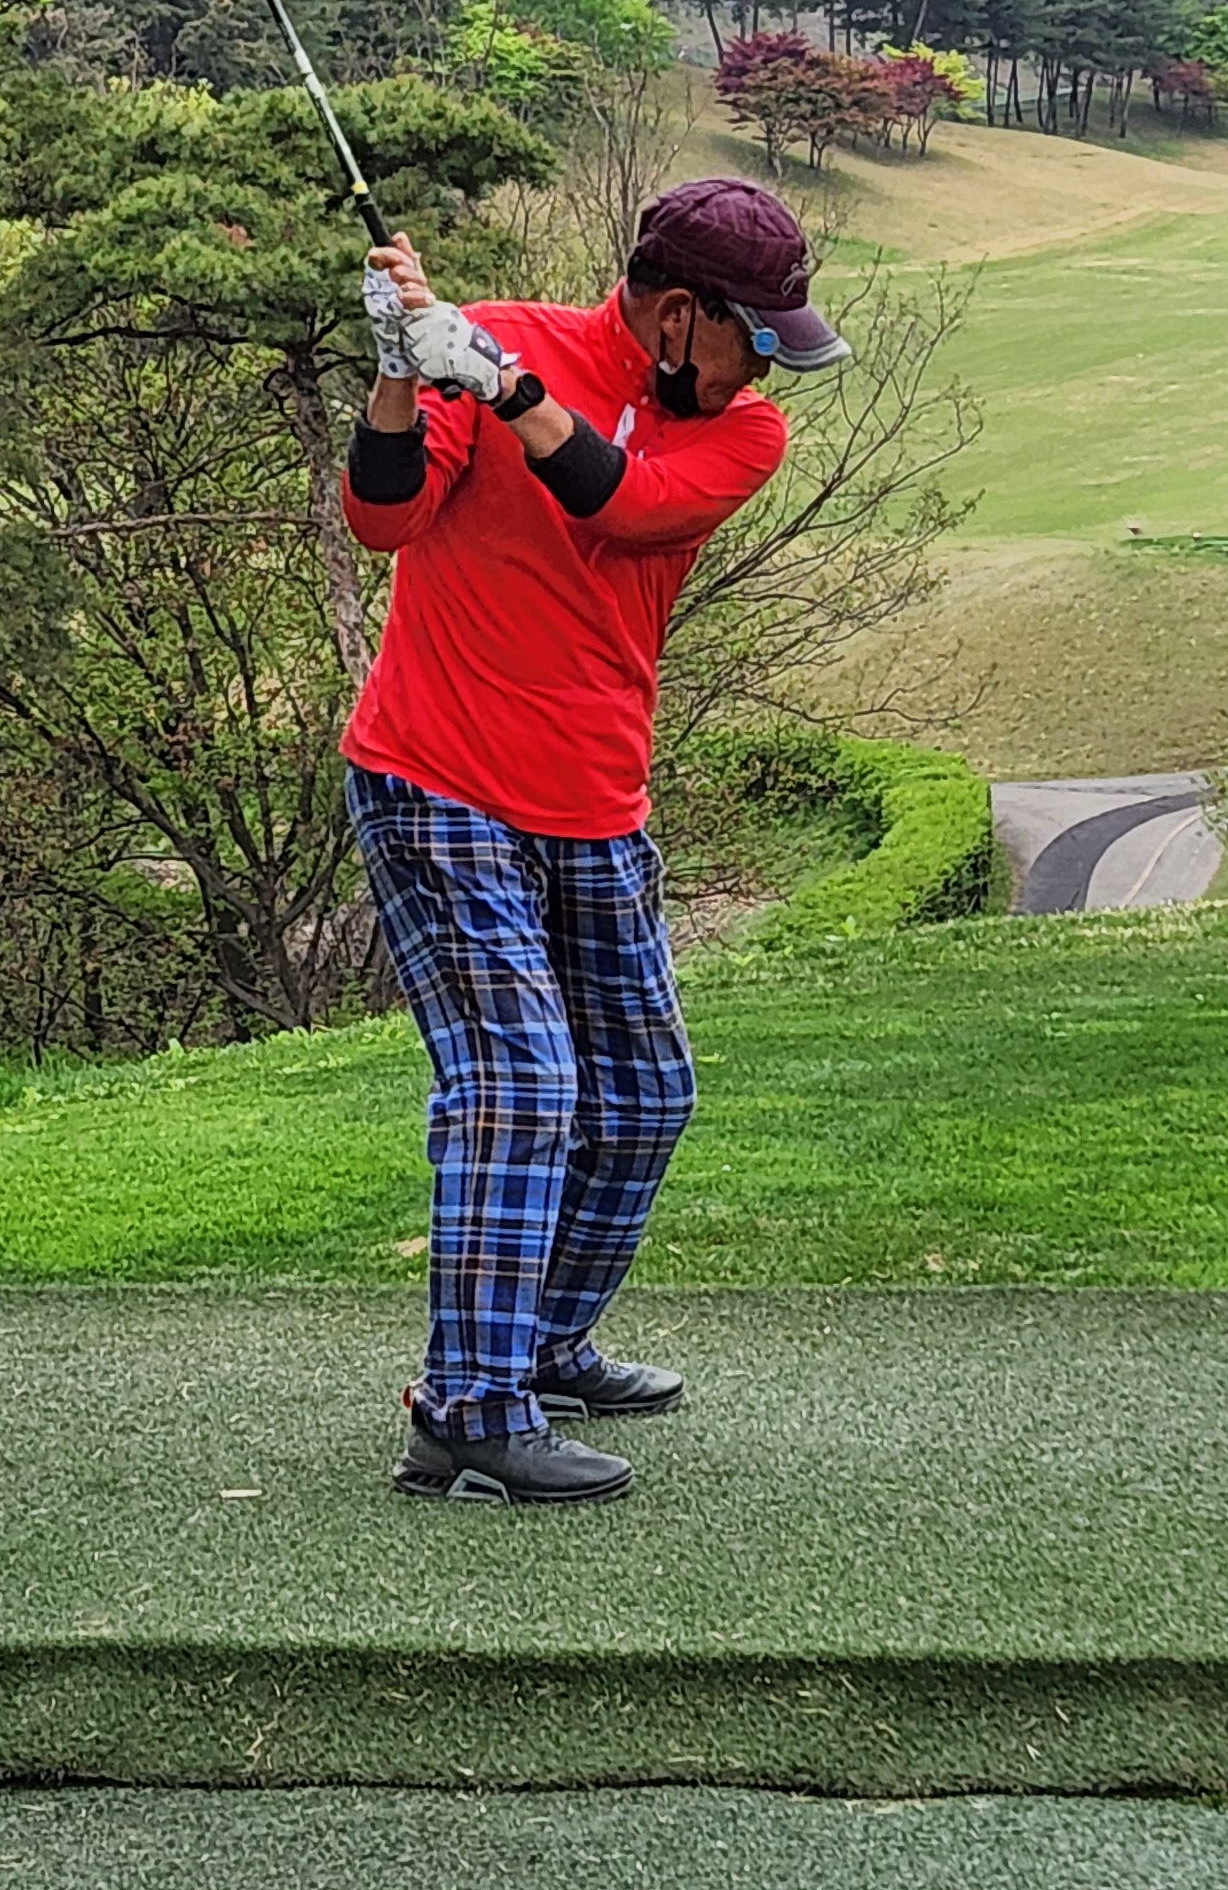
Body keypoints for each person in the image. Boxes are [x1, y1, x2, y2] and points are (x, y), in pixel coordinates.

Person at [342, 175, 846, 1505]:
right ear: (680, 315)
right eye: (755, 338)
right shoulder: (502, 341)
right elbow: (382, 517)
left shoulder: (743, 435)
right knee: (520, 1084)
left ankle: (542, 1342)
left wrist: (497, 386)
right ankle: (467, 1413)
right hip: (436, 776)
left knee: (645, 1094)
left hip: (593, 796)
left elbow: (615, 502)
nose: (766, 371)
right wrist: (399, 372)